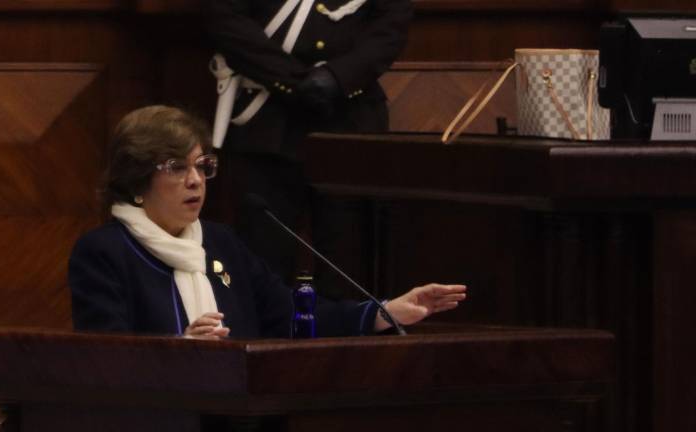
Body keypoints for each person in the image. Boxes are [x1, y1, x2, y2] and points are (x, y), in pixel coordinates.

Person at [69, 105, 466, 337]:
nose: (195, 180)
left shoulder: (220, 244)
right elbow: (104, 354)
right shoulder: (105, 251)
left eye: (202, 166)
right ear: (138, 178)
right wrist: (181, 349)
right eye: (176, 167)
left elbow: (290, 314)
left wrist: (384, 311)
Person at [205, 0, 414, 286]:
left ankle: (347, 331)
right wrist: (292, 82)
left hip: (349, 123)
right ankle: (269, 331)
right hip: (267, 121)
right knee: (264, 255)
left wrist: (338, 78)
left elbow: (389, 27)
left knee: (347, 259)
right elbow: (226, 19)